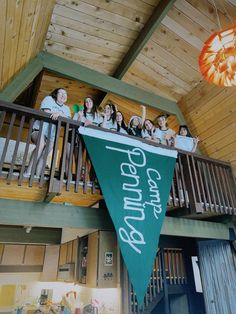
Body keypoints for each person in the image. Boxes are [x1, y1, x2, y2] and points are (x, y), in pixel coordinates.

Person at [25, 88, 71, 177]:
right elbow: (47, 112)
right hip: (39, 129)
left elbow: (68, 120)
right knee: (41, 144)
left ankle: (37, 175)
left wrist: (59, 114)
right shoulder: (49, 99)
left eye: (65, 94)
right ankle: (28, 172)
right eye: (60, 93)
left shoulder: (66, 108)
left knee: (45, 154)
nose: (63, 95)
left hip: (52, 135)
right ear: (55, 94)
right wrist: (59, 114)